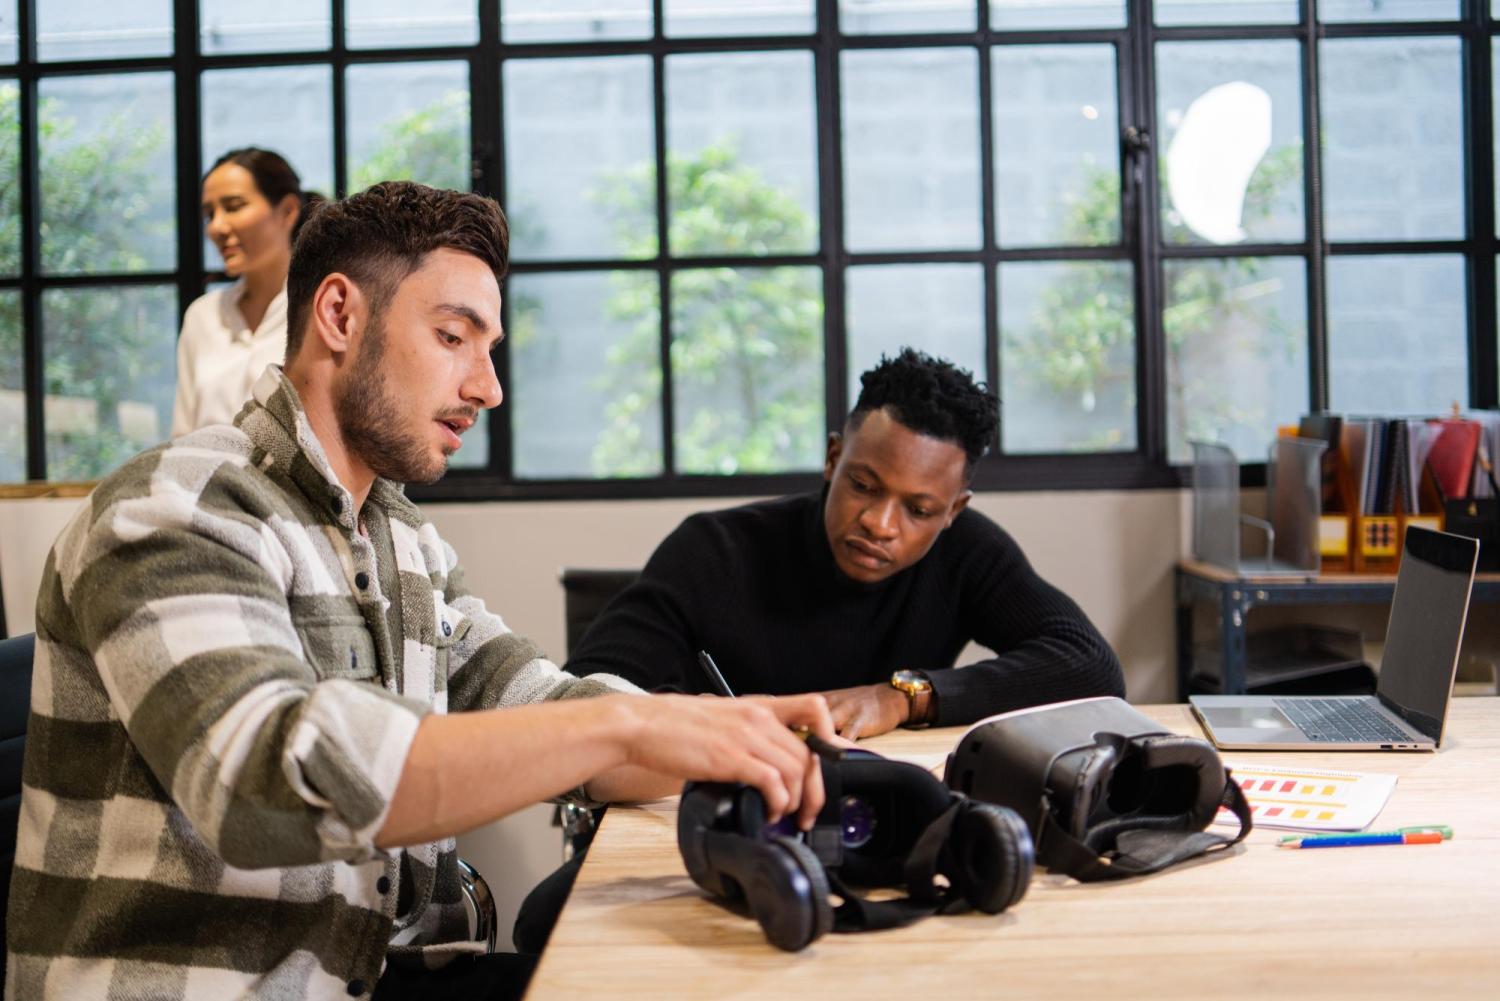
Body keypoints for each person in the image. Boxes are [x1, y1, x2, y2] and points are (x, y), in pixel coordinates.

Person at [7, 182, 834, 1001]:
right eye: (453, 337)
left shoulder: (401, 535)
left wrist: (726, 731)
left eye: (491, 348)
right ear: (339, 315)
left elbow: (536, 700)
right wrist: (627, 724)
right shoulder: (175, 505)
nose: (488, 387)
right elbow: (261, 780)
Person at [565, 348, 1126, 740]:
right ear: (834, 459)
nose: (881, 524)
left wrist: (906, 696)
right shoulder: (716, 549)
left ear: (953, 510)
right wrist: (707, 720)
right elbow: (586, 690)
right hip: (711, 813)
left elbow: (1091, 665)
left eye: (919, 509)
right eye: (863, 485)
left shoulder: (967, 553)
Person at [171, 147, 319, 437]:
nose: (217, 227)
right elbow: (182, 435)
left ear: (288, 211)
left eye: (234, 206)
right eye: (209, 214)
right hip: (204, 479)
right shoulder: (202, 316)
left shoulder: (320, 311)